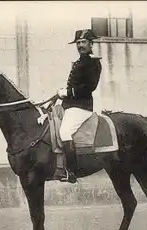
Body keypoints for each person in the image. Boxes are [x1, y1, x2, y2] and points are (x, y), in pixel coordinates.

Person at [56, 29, 102, 183]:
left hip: (81, 107)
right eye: (78, 43)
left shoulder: (93, 63)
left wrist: (67, 92)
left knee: (64, 132)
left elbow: (89, 87)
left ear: (91, 44)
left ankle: (71, 171)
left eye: (84, 42)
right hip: (70, 106)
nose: (81, 45)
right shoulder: (79, 62)